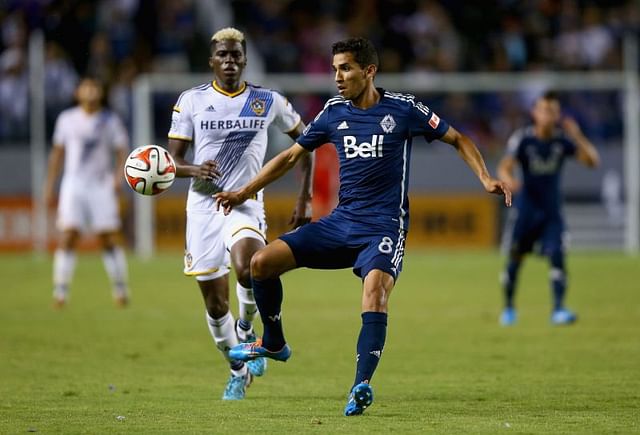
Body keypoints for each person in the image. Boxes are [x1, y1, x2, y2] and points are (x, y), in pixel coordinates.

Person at [215, 37, 511, 416]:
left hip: (384, 227)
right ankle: (273, 342)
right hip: (341, 222)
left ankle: (360, 385)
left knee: (374, 294)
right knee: (261, 263)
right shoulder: (333, 113)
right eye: (335, 68)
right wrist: (243, 192)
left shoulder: (404, 109)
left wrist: (485, 178)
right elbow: (290, 156)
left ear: (369, 71)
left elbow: (458, 138)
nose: (337, 76)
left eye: (346, 68)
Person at [167, 28, 313, 401]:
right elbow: (173, 161)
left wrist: (305, 196)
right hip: (202, 209)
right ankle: (237, 371)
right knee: (216, 306)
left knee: (248, 267)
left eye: (236, 55)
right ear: (211, 61)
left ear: (245, 60)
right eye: (222, 55)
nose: (230, 61)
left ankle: (248, 328)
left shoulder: (267, 101)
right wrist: (193, 170)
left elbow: (306, 143)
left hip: (245, 203)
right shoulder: (192, 101)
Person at [497, 91, 600, 326]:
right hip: (526, 212)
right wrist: (509, 180)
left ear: (558, 114)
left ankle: (558, 309)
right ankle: (509, 308)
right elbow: (505, 166)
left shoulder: (562, 141)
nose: (548, 114)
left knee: (557, 256)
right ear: (534, 112)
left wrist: (578, 136)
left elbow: (593, 162)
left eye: (552, 110)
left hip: (552, 213)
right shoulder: (523, 139)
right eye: (544, 109)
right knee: (515, 259)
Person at [44, 77, 130, 308]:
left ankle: (120, 288)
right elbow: (57, 153)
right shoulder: (67, 119)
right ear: (78, 92)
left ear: (100, 92)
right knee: (68, 235)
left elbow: (122, 151)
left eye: (95, 87)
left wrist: (118, 176)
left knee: (108, 237)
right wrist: (50, 184)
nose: (91, 91)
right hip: (74, 184)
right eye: (87, 87)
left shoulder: (110, 120)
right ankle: (60, 291)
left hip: (101, 185)